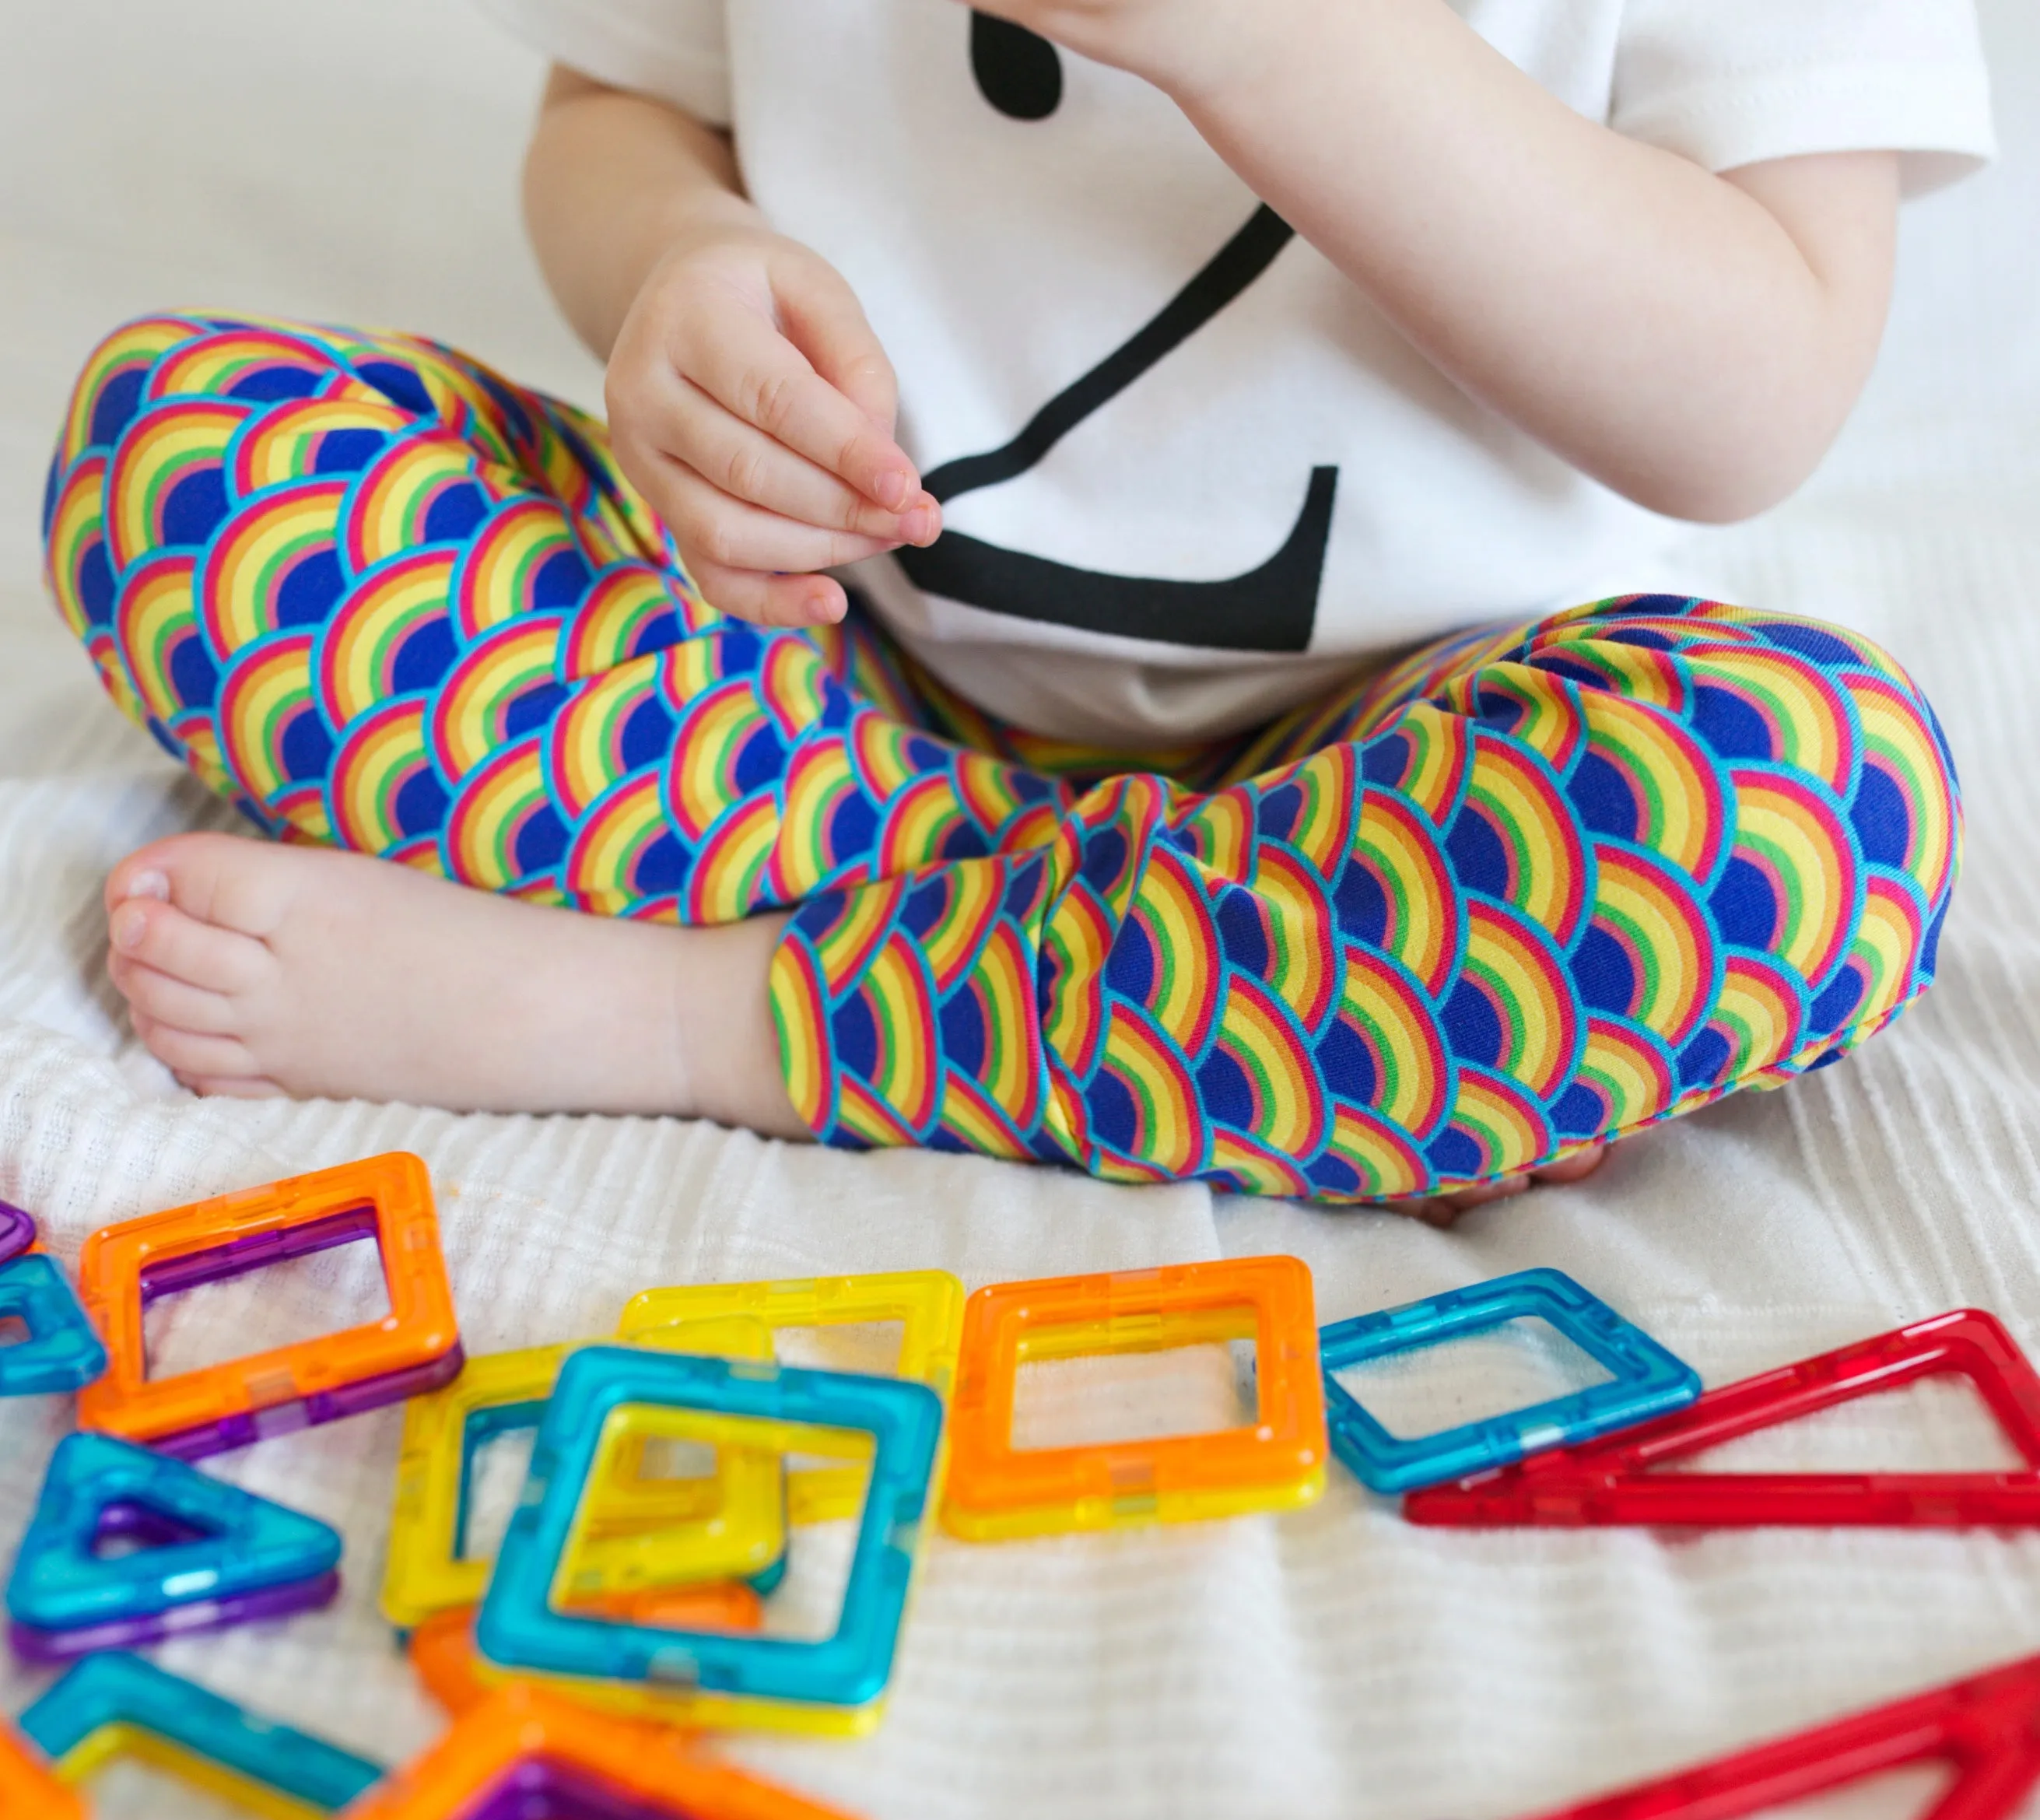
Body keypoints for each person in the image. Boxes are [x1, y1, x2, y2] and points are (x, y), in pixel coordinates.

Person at [47, 0, 1993, 1220]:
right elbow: (616, 120)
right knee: (194, 452)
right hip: (827, 693)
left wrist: (1276, 43)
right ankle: (1155, 978)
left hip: (1425, 742)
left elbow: (1755, 393)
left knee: (1791, 811)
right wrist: (684, 257)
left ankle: (705, 1016)